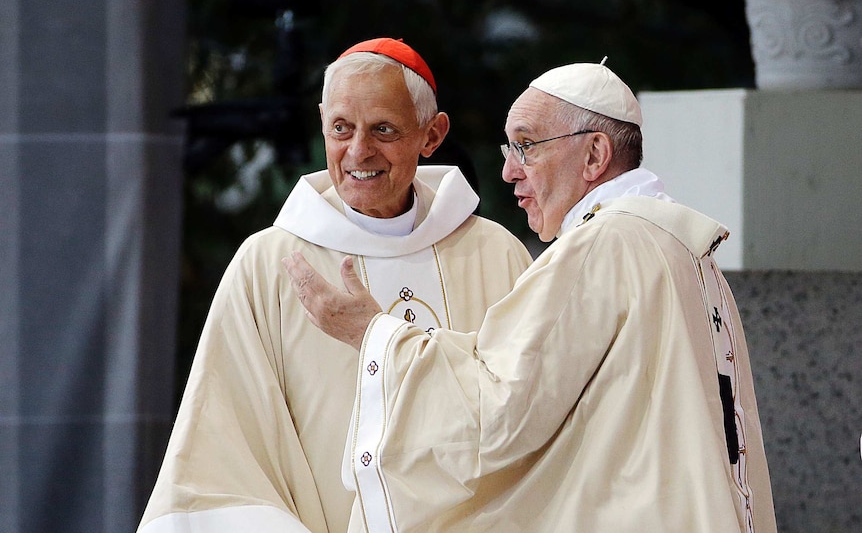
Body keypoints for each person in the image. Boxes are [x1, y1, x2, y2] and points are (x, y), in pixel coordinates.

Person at [285, 59, 778, 532]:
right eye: (508, 151)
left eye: (526, 146)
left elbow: (499, 411)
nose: (509, 172)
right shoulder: (684, 250)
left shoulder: (602, 245)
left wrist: (375, 336)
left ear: (595, 155)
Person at [136, 38, 533, 533]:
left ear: (431, 136)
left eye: (383, 129)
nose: (358, 151)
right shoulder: (269, 265)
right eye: (341, 128)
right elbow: (223, 446)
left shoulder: (495, 257)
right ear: (322, 123)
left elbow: (531, 422)